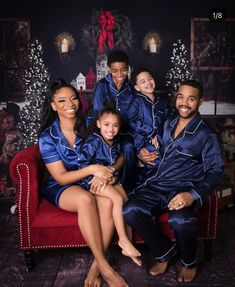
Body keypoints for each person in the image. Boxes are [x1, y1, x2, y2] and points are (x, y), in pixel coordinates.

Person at [123, 79, 224, 283]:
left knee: (180, 220)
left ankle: (189, 262)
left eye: (191, 98)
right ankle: (164, 253)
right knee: (130, 210)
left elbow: (216, 172)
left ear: (200, 101)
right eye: (181, 96)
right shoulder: (168, 123)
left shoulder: (206, 134)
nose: (184, 103)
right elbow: (160, 149)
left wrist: (191, 195)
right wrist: (144, 153)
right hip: (157, 184)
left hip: (183, 188)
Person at [38, 79, 128, 287]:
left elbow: (117, 153)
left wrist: (109, 172)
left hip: (90, 180)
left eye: (73, 98)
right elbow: (60, 176)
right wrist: (92, 169)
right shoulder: (47, 137)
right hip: (62, 185)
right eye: (62, 100)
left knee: (107, 202)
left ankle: (95, 267)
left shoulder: (91, 124)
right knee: (85, 199)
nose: (70, 104)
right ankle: (106, 268)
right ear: (53, 105)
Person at [78, 106, 141, 266]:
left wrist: (111, 177)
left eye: (115, 125)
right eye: (106, 125)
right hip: (91, 180)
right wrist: (97, 176)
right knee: (118, 199)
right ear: (99, 124)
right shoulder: (93, 141)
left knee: (125, 200)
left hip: (108, 178)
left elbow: (113, 163)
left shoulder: (116, 142)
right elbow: (82, 165)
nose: (111, 129)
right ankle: (123, 240)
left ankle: (130, 246)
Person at [86, 50, 137, 191]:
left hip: (124, 131)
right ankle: (103, 179)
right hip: (105, 130)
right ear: (109, 68)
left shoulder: (132, 88)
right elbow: (98, 113)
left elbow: (135, 115)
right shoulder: (102, 86)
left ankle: (128, 187)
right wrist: (106, 134)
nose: (119, 75)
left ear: (128, 68)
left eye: (123, 70)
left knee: (128, 147)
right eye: (115, 71)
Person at [128, 67, 169, 184]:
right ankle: (149, 185)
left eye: (149, 79)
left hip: (160, 138)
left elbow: (166, 121)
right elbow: (132, 120)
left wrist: (158, 134)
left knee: (170, 156)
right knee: (155, 159)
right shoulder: (136, 101)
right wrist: (151, 133)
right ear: (137, 87)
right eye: (143, 81)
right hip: (142, 140)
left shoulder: (162, 102)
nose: (148, 83)